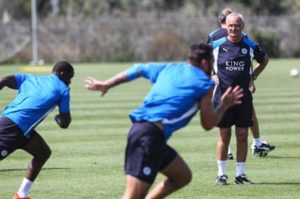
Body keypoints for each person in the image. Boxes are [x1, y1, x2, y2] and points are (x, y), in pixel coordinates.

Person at [85, 43, 244, 198]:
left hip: (148, 134)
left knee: (182, 176)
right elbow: (208, 124)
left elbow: (138, 69)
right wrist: (224, 104)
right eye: (212, 63)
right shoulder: (204, 83)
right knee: (133, 196)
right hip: (149, 137)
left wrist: (107, 84)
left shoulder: (169, 68)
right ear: (204, 63)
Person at [0, 61, 74, 199]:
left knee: (43, 152)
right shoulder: (63, 89)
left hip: (19, 128)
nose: (70, 82)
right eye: (70, 77)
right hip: (12, 129)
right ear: (62, 74)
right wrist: (58, 119)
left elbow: (4, 80)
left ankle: (22, 195)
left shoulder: (31, 78)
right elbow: (65, 123)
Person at [208, 7, 275, 159]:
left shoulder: (237, 37)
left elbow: (245, 58)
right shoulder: (217, 38)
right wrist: (252, 77)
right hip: (225, 86)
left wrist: (211, 75)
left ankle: (238, 149)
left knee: (229, 126)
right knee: (241, 116)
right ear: (224, 23)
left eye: (236, 24)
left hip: (232, 85)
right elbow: (210, 57)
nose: (232, 28)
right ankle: (256, 143)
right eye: (229, 24)